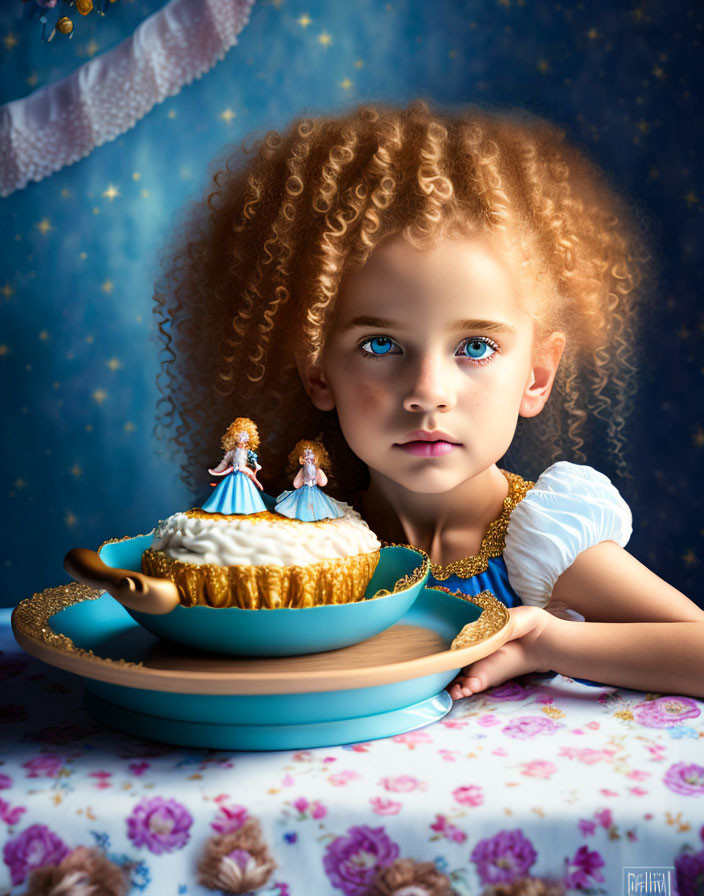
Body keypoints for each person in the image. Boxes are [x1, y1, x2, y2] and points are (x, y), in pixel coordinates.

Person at [154, 99, 704, 700]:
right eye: (381, 344)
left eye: (475, 347)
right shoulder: (310, 539)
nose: (427, 393)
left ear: (537, 376)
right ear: (318, 373)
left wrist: (547, 642)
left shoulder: (544, 544)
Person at [200, 417, 267, 515]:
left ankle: (244, 509)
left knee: (246, 493)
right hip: (233, 473)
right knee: (229, 493)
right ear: (235, 437)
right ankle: (229, 509)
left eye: (246, 436)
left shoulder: (248, 452)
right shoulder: (232, 452)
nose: (244, 439)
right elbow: (224, 463)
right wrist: (216, 471)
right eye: (241, 436)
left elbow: (253, 462)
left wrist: (256, 466)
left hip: (244, 475)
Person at [275, 439, 345, 521]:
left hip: (314, 492)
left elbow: (323, 482)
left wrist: (316, 477)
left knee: (318, 507)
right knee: (300, 505)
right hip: (303, 491)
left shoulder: (317, 470)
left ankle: (314, 516)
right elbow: (296, 484)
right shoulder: (303, 470)